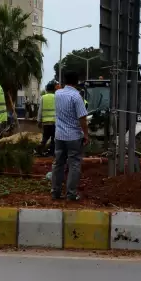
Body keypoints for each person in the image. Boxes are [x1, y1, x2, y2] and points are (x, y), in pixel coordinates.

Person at [51, 70, 89, 201]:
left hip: (59, 135)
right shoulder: (76, 96)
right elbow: (82, 118)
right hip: (73, 136)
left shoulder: (57, 94)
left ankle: (55, 192)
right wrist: (86, 134)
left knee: (58, 163)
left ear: (65, 81)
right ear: (77, 82)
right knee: (74, 164)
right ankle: (71, 194)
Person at [38, 82, 57, 157]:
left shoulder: (43, 97)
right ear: (54, 89)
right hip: (55, 122)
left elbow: (40, 110)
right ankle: (52, 153)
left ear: (46, 89)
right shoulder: (56, 97)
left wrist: (39, 121)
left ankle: (40, 149)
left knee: (45, 137)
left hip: (46, 122)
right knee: (53, 138)